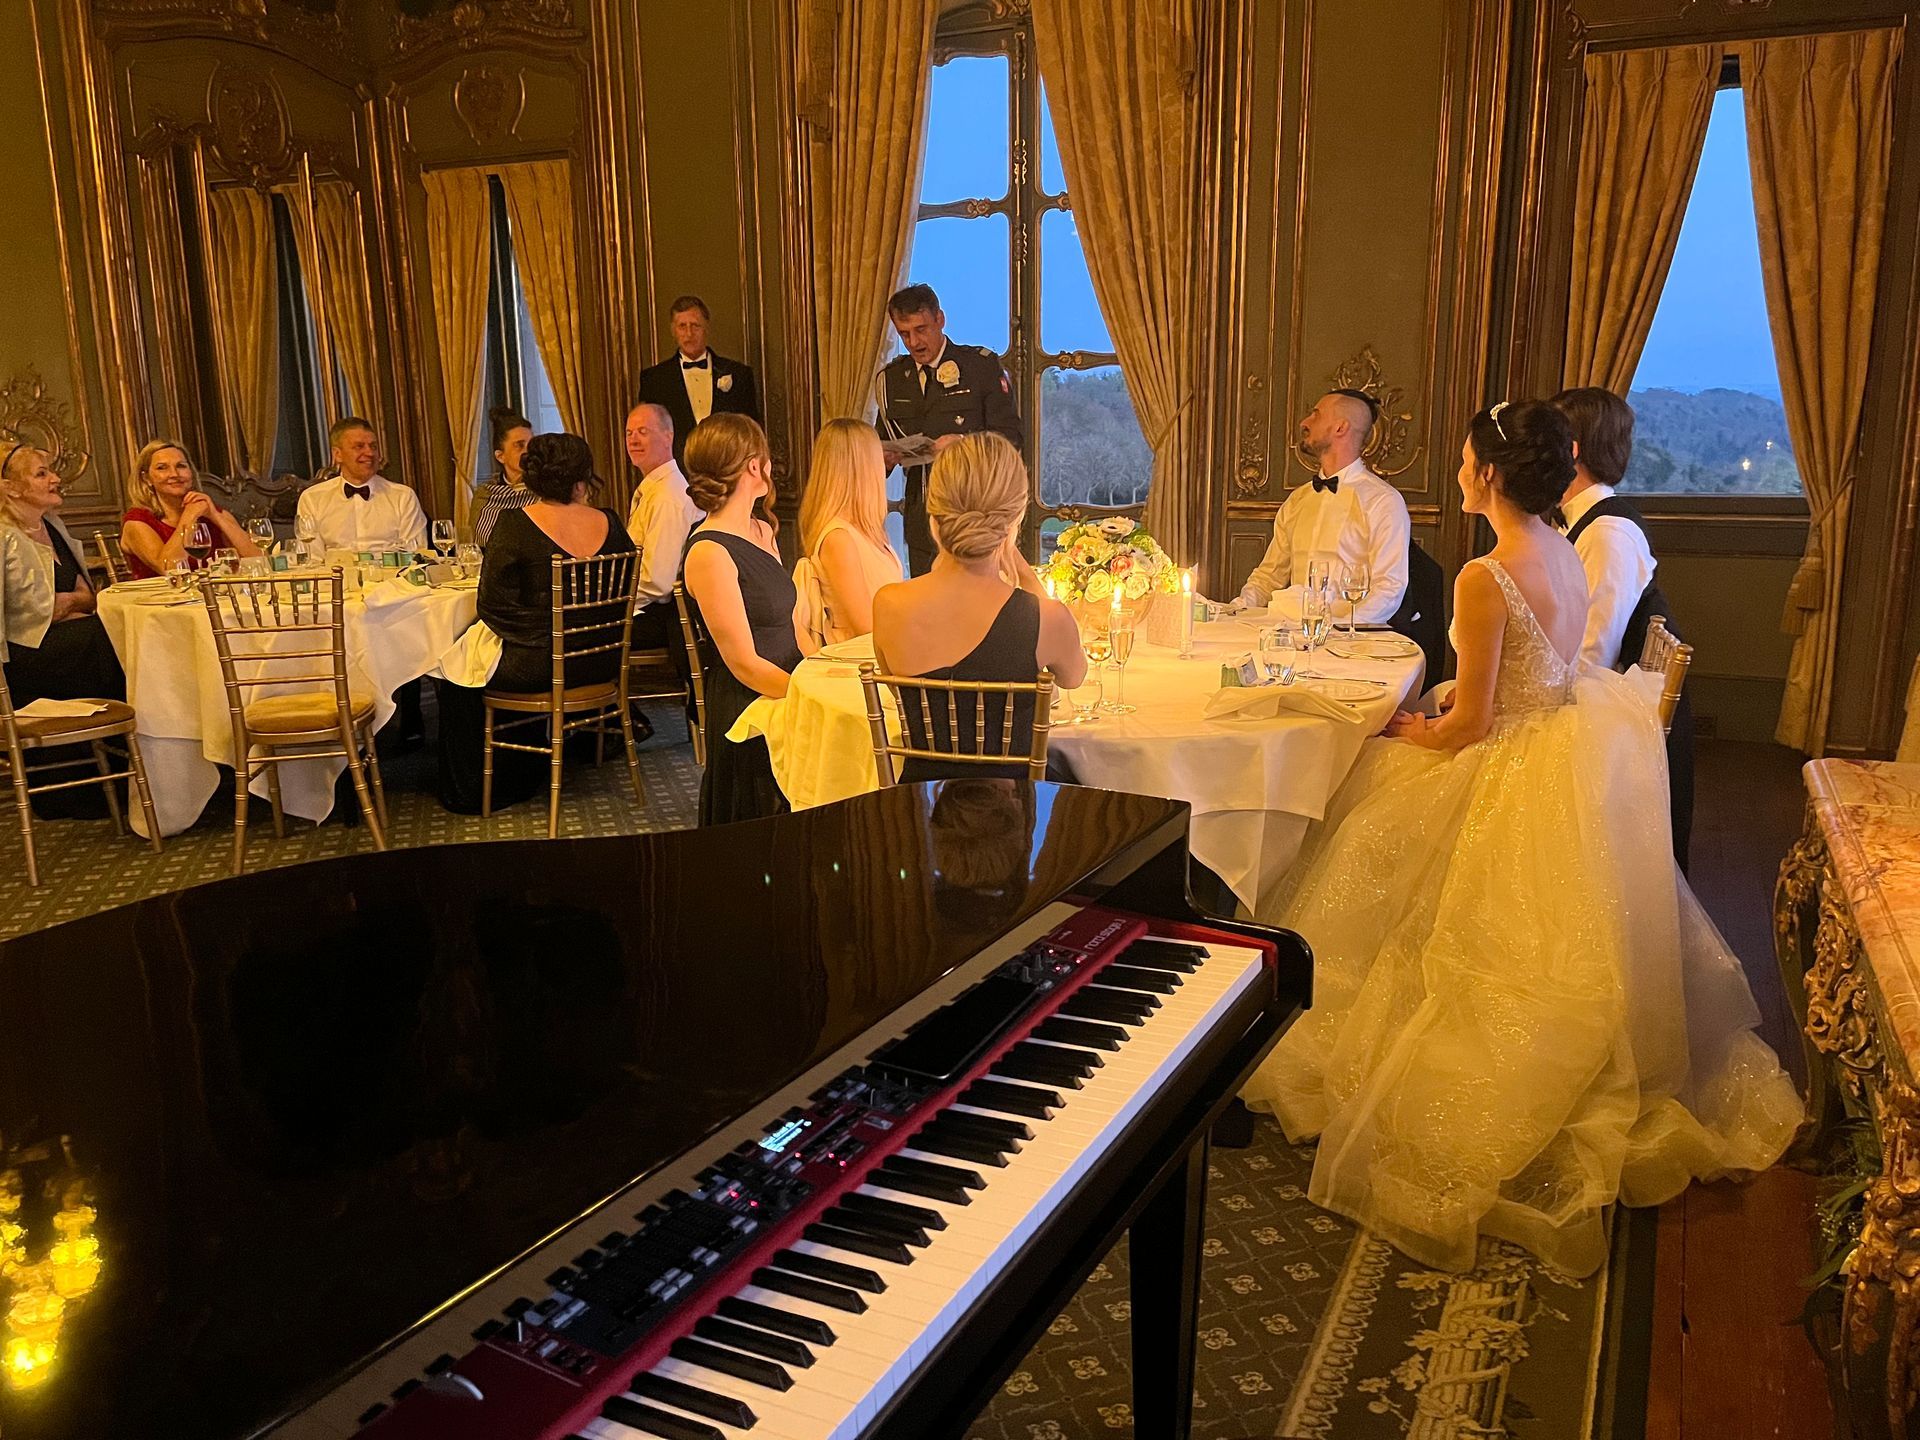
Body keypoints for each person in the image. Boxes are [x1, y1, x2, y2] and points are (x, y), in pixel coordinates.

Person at [1240, 400, 1799, 1278]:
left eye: (1466, 461)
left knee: (1365, 814)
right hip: (1562, 744)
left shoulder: (1484, 572)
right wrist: (1451, 706)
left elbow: (1470, 727)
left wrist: (1407, 731)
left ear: (1490, 475)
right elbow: (1546, 668)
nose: (1459, 473)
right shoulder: (1566, 548)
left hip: (1506, 756)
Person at [433, 433, 636, 813]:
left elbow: (492, 605)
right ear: (581, 477)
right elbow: (622, 595)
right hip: (602, 660)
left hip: (539, 666)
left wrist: (540, 637)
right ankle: (531, 762)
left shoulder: (515, 525)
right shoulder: (610, 523)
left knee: (453, 673)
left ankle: (481, 788)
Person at [871, 433, 1084, 783]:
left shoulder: (888, 603)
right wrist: (1013, 558)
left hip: (915, 815)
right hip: (1016, 819)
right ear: (1014, 521)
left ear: (933, 518)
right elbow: (1074, 678)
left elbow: (904, 694)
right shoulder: (1047, 617)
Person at [1550, 385, 1694, 870]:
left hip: (1616, 716)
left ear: (1569, 450)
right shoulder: (1578, 521)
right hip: (1598, 694)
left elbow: (1592, 654)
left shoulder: (1609, 533)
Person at [680, 413, 807, 826]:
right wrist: (810, 699)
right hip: (747, 703)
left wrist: (825, 670)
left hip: (788, 688)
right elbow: (742, 663)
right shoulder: (708, 552)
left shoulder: (762, 529)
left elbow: (793, 625)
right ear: (755, 465)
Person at [876, 284, 1024, 577]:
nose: (914, 342)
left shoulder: (979, 367)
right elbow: (881, 444)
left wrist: (963, 443)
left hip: (975, 513)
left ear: (940, 319)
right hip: (921, 517)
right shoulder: (892, 380)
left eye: (921, 329)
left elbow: (1012, 440)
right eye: (904, 334)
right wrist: (882, 459)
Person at [1235, 390, 1410, 624]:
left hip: (1351, 643)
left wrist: (1342, 628)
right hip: (1293, 636)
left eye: (1315, 415)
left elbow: (1389, 588)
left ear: (1340, 428)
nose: (1304, 422)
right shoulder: (1298, 499)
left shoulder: (1382, 501)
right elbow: (1268, 576)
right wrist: (1238, 609)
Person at [1, 442, 123, 706]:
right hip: (24, 656)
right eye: (41, 474)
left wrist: (66, 602)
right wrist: (66, 604)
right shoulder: (4, 537)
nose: (55, 479)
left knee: (120, 630)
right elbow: (26, 618)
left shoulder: (53, 526)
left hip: (68, 640)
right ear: (11, 488)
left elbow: (89, 598)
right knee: (107, 635)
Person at [796, 418, 905, 644]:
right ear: (863, 467)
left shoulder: (866, 530)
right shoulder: (839, 539)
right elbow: (865, 626)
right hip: (860, 668)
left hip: (885, 654)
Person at [635, 295, 761, 465]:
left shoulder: (738, 374)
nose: (689, 333)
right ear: (673, 330)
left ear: (706, 328)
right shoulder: (654, 380)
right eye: (682, 326)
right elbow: (649, 435)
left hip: (728, 471)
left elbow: (751, 431)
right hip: (676, 476)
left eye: (695, 326)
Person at [120, 439, 261, 579]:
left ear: (191, 473)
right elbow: (170, 569)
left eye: (181, 466)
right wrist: (189, 517)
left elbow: (259, 560)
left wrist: (216, 516)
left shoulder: (208, 511)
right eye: (162, 468)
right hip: (160, 599)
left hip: (214, 597)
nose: (174, 474)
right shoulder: (137, 522)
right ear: (146, 478)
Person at [623, 402, 702, 650]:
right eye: (629, 433)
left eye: (643, 432)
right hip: (645, 607)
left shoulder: (667, 496)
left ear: (668, 437)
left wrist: (613, 601)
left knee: (573, 633)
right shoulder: (654, 488)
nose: (633, 440)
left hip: (660, 617)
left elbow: (658, 582)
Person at [295, 416, 430, 555]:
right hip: (337, 576)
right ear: (338, 454)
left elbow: (416, 554)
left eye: (373, 446)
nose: (370, 453)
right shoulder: (312, 498)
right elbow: (312, 559)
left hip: (392, 576)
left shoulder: (403, 497)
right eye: (359, 446)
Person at [467, 407, 534, 548]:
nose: (528, 452)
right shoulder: (485, 495)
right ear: (500, 456)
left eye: (532, 445)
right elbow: (479, 544)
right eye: (519, 446)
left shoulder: (546, 491)